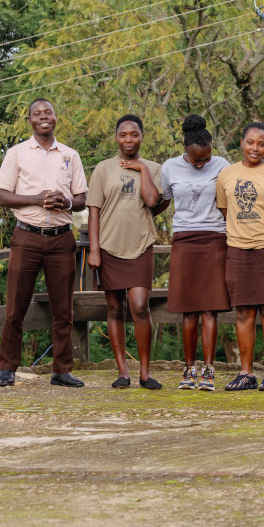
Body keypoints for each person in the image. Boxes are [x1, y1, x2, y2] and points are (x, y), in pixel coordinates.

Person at [0, 98, 89, 388]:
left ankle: (62, 370)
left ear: (55, 118)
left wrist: (66, 202)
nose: (43, 117)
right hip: (26, 237)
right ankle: (8, 369)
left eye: (48, 112)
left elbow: (82, 199)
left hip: (61, 239)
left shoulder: (69, 155)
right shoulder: (17, 153)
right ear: (30, 121)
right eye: (37, 114)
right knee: (15, 308)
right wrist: (36, 199)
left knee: (63, 309)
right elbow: (1, 196)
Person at [87, 114, 167, 390]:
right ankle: (122, 371)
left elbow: (152, 200)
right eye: (123, 135)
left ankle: (145, 372)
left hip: (140, 244)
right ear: (116, 137)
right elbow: (93, 211)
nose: (129, 139)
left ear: (142, 136)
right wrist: (94, 251)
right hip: (109, 247)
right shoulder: (103, 169)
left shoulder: (155, 168)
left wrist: (141, 169)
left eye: (134, 134)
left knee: (139, 306)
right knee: (114, 308)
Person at [215, 122, 264, 392]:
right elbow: (226, 211)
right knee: (244, 311)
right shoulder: (226, 175)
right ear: (242, 142)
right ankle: (246, 372)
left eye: (261, 143)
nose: (255, 148)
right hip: (238, 249)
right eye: (250, 142)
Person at [160, 115, 230, 392]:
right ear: (186, 151)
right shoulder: (170, 167)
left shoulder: (222, 165)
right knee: (187, 310)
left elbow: (228, 202)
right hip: (184, 240)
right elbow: (163, 201)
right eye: (196, 160)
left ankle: (209, 370)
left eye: (205, 159)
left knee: (209, 309)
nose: (201, 164)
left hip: (214, 238)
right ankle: (189, 369)